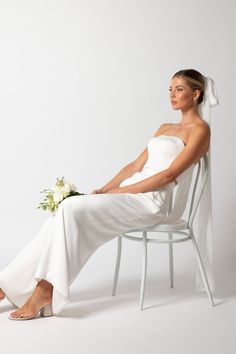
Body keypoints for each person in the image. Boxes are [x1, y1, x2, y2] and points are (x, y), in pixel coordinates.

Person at [0, 69, 213, 320]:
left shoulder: (200, 131)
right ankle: (8, 286)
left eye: (179, 89)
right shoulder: (165, 127)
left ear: (196, 93)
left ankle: (44, 290)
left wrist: (121, 191)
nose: (172, 95)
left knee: (70, 210)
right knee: (65, 210)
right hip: (131, 193)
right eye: (170, 89)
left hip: (152, 201)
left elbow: (168, 176)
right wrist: (105, 189)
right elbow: (135, 166)